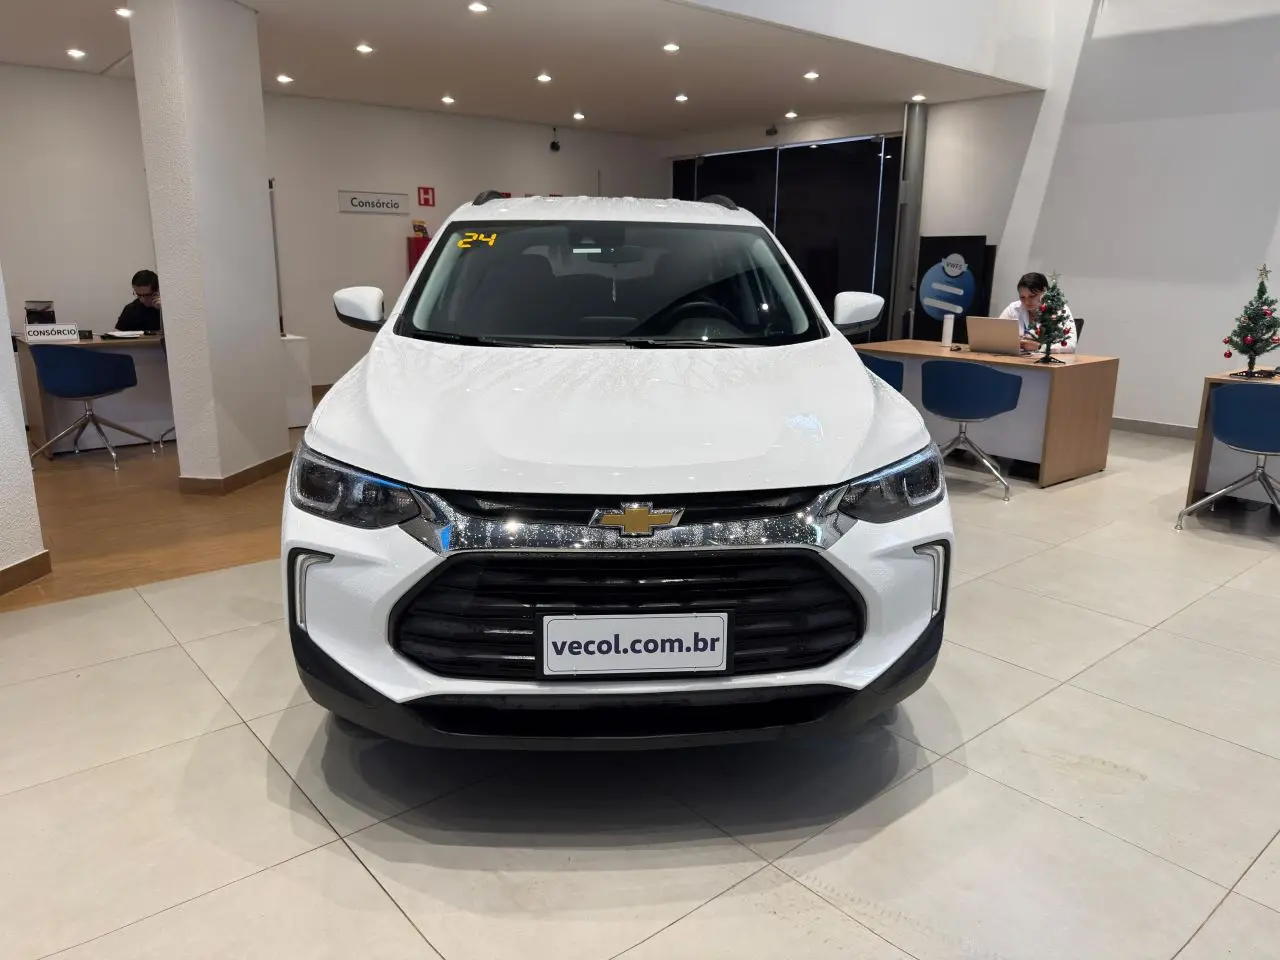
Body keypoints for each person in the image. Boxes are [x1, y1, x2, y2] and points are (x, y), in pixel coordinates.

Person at [998, 271, 1075, 354]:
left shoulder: (1059, 309)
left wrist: (1040, 347)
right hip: (1016, 358)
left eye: (1032, 296)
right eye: (1022, 297)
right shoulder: (1013, 308)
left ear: (1044, 291)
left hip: (1046, 360)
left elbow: (1071, 345)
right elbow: (996, 335)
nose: (1027, 302)